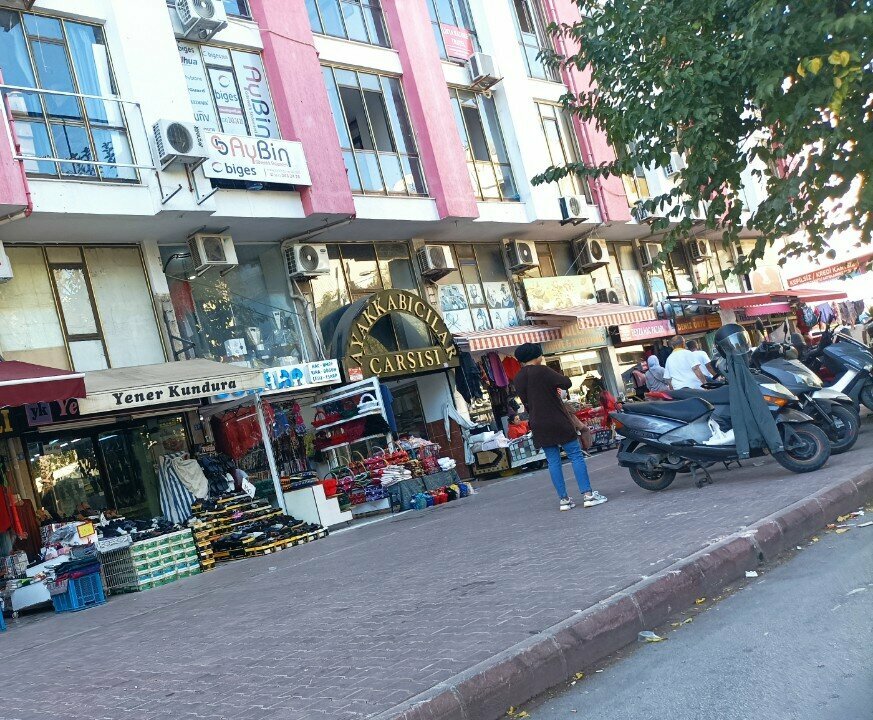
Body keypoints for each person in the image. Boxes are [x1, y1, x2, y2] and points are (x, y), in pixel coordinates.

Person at [513, 343, 607, 511]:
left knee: (553, 461)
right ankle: (588, 495)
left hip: (538, 423)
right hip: (557, 420)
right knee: (575, 455)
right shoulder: (543, 370)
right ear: (537, 356)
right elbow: (567, 383)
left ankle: (564, 500)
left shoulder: (518, 377)